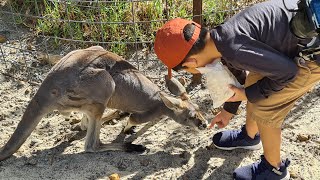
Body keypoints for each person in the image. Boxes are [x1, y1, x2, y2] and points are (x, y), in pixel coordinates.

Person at [153, 0, 320, 179]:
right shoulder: (219, 39)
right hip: (293, 44)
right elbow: (238, 72)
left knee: (264, 106)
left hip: (309, 59)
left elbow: (288, 72)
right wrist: (228, 111)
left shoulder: (234, 50)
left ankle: (274, 169)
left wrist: (248, 94)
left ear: (190, 64)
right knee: (255, 84)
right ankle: (250, 136)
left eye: (188, 70)